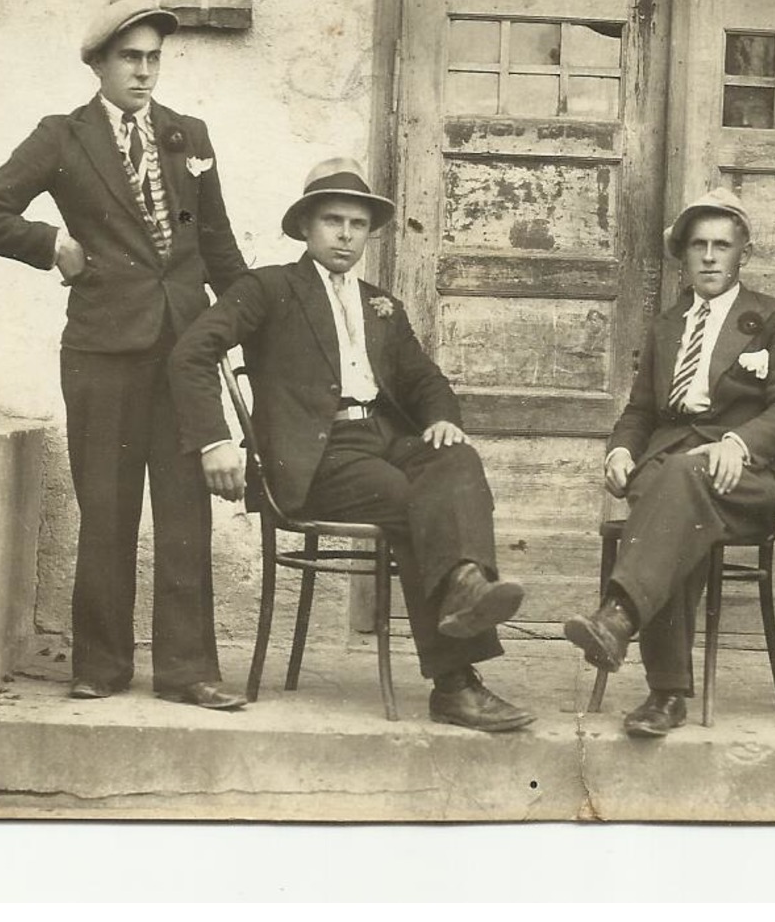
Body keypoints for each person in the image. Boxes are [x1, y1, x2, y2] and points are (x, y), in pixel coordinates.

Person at [168, 159, 536, 732]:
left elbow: (425, 381)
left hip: (381, 440)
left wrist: (440, 418)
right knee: (409, 500)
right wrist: (214, 439)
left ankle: (465, 580)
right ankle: (457, 684)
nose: (345, 235)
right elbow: (191, 353)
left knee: (456, 456)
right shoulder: (268, 288)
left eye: (358, 224)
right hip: (315, 458)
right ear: (306, 228)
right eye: (333, 221)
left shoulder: (380, 304)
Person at [0, 0, 248, 710]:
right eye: (130, 58)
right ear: (98, 63)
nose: (144, 72)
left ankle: (188, 671)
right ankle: (99, 664)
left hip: (182, 351)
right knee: (108, 506)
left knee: (186, 509)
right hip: (100, 350)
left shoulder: (188, 134)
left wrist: (252, 333)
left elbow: (217, 246)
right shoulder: (63, 136)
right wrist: (52, 246)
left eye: (153, 58)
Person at [562, 189, 775, 738]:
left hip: (747, 477)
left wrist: (738, 444)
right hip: (672, 475)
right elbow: (640, 411)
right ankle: (663, 697)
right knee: (672, 485)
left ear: (742, 254)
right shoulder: (667, 326)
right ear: (683, 254)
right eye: (698, 245)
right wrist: (622, 449)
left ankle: (624, 624)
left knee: (676, 482)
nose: (709, 256)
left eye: (722, 245)